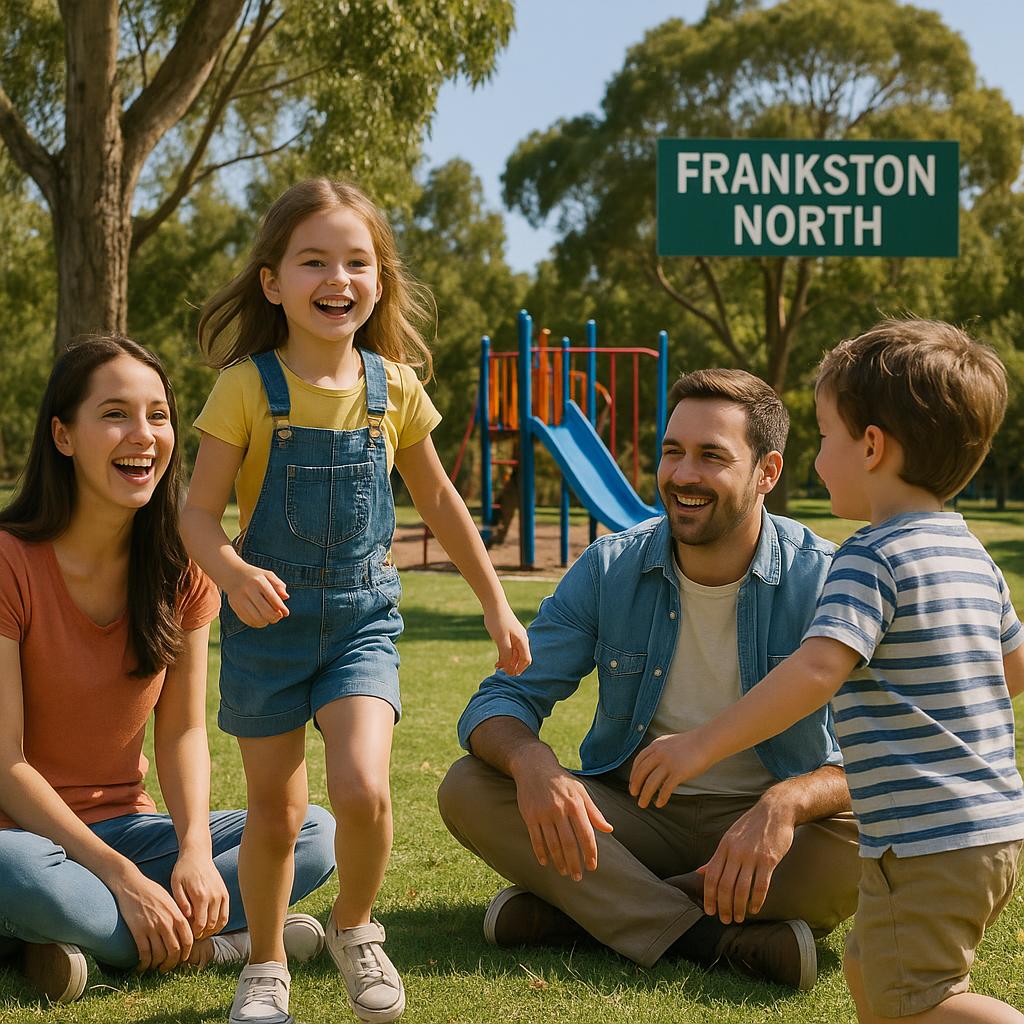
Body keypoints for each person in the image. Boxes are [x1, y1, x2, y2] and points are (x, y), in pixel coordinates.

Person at [182, 177, 531, 1024]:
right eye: (314, 262)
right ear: (273, 282)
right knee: (276, 815)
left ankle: (354, 926)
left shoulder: (395, 388)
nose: (337, 279)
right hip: (267, 630)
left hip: (361, 625)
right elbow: (194, 514)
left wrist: (495, 603)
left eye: (356, 262)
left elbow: (440, 500)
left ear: (379, 280)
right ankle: (266, 962)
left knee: (364, 790)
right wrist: (231, 573)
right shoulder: (245, 387)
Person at [630, 321, 1024, 1022]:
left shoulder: (869, 557)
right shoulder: (969, 553)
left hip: (923, 836)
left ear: (871, 446)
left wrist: (699, 745)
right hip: (987, 827)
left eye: (823, 437)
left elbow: (816, 671)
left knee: (924, 1004)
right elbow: (1011, 669)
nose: (815, 462)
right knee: (868, 970)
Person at [439, 368, 860, 991]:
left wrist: (788, 802)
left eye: (712, 456)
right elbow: (501, 698)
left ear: (767, 473)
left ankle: (586, 913)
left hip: (768, 833)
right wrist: (533, 764)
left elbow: (885, 752)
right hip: (633, 821)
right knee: (469, 786)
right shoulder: (609, 567)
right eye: (672, 452)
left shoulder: (826, 578)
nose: (683, 475)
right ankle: (708, 936)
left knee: (874, 835)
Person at [0, 336, 336, 1006]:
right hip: (21, 836)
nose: (143, 435)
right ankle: (216, 946)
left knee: (314, 834)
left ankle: (73, 940)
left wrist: (192, 850)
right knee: (19, 872)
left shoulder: (183, 566)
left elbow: (182, 732)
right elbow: (6, 762)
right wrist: (121, 877)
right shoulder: (9, 561)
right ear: (63, 436)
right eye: (115, 414)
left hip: (128, 828)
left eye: (158, 415)